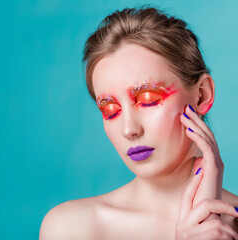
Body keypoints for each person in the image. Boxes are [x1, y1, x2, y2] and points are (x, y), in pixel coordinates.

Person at [39, 6, 238, 239]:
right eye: (111, 111)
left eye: (149, 100)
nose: (129, 130)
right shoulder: (70, 227)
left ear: (202, 95)